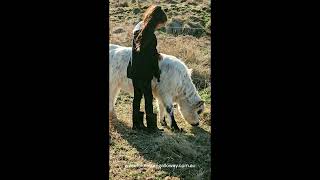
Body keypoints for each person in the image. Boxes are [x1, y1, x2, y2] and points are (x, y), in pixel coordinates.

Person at [128, 5, 167, 133]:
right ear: (156, 22)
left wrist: (155, 53)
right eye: (161, 25)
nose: (161, 27)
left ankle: (136, 124)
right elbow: (151, 58)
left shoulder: (138, 29)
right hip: (144, 73)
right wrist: (157, 72)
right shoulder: (151, 36)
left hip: (134, 71)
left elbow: (142, 52)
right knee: (148, 99)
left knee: (137, 97)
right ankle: (151, 127)